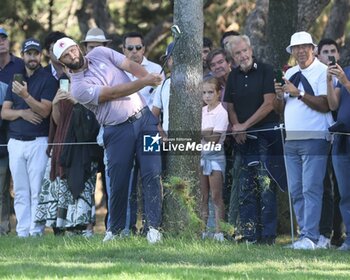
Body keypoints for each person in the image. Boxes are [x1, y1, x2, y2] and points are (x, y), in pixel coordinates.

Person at [52, 37, 163, 243]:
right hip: (117, 131)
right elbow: (112, 93)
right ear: (63, 63)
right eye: (66, 56)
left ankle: (154, 228)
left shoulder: (100, 53)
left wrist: (149, 79)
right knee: (119, 182)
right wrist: (144, 82)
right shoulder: (78, 87)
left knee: (152, 172)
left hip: (146, 120)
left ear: (78, 47)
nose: (72, 56)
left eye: (72, 50)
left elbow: (129, 65)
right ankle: (115, 229)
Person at [274, 31, 333, 250]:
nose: (300, 51)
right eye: (296, 48)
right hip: (292, 140)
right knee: (296, 190)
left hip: (315, 137)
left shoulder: (323, 71)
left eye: (304, 47)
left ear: (312, 48)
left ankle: (312, 237)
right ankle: (304, 236)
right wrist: (280, 96)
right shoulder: (290, 72)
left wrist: (297, 92)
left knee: (311, 188)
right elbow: (279, 109)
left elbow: (325, 104)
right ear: (292, 51)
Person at [224, 35, 283, 245]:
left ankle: (267, 236)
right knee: (246, 188)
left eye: (244, 51)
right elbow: (229, 106)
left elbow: (269, 103)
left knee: (265, 186)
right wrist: (236, 127)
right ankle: (250, 234)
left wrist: (244, 125)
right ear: (233, 57)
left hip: (266, 137)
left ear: (251, 49)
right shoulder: (233, 76)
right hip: (243, 140)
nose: (242, 56)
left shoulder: (267, 70)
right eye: (237, 53)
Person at [1, 38, 58, 237]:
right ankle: (23, 231)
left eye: (36, 53)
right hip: (15, 142)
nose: (32, 57)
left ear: (40, 56)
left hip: (38, 142)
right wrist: (22, 113)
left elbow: (44, 110)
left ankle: (36, 230)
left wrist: (25, 97)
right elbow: (5, 112)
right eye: (29, 53)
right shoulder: (16, 78)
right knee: (20, 190)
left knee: (36, 189)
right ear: (23, 55)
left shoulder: (48, 79)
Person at [316, 38, 343, 248]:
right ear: (318, 55)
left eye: (333, 51)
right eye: (325, 51)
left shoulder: (345, 76)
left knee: (342, 189)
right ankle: (324, 232)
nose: (329, 54)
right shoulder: (316, 75)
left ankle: (338, 233)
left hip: (342, 137)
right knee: (324, 186)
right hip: (321, 136)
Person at [0, 27, 24, 235]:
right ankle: (3, 229)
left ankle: (21, 228)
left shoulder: (21, 65)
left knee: (19, 186)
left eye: (4, 38)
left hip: (17, 133)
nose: (1, 42)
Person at [201, 77, 229, 241]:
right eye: (204, 92)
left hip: (215, 156)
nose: (207, 96)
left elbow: (214, 139)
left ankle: (219, 232)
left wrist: (202, 134)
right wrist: (207, 132)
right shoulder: (202, 111)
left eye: (211, 92)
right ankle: (203, 231)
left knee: (216, 196)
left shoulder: (222, 112)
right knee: (203, 196)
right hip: (202, 155)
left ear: (219, 93)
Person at [327, 59, 350, 251]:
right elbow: (333, 105)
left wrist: (346, 82)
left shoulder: (345, 76)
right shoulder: (346, 71)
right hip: (342, 139)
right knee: (345, 193)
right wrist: (329, 81)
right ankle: (349, 238)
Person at [122, 31, 163, 108]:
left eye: (138, 47)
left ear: (143, 49)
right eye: (130, 48)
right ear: (124, 50)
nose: (134, 51)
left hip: (150, 117)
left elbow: (160, 98)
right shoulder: (117, 71)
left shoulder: (156, 69)